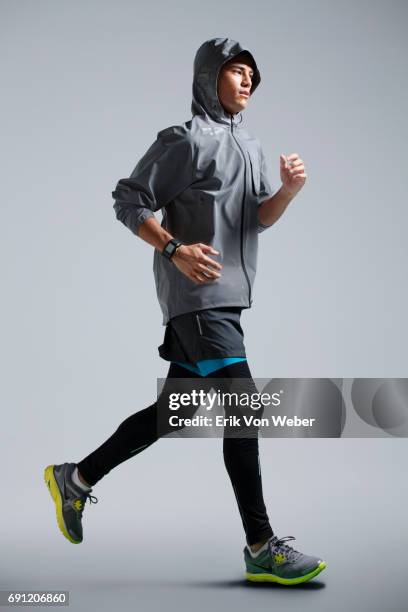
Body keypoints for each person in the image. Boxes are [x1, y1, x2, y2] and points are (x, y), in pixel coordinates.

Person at [44, 37, 326, 585]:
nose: (247, 81)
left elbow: (255, 219)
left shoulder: (251, 145)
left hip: (227, 303)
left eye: (252, 75)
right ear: (209, 77)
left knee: (174, 414)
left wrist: (288, 192)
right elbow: (128, 199)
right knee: (244, 410)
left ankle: (75, 478)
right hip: (198, 303)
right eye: (236, 71)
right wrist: (175, 248)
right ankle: (261, 544)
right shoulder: (184, 140)